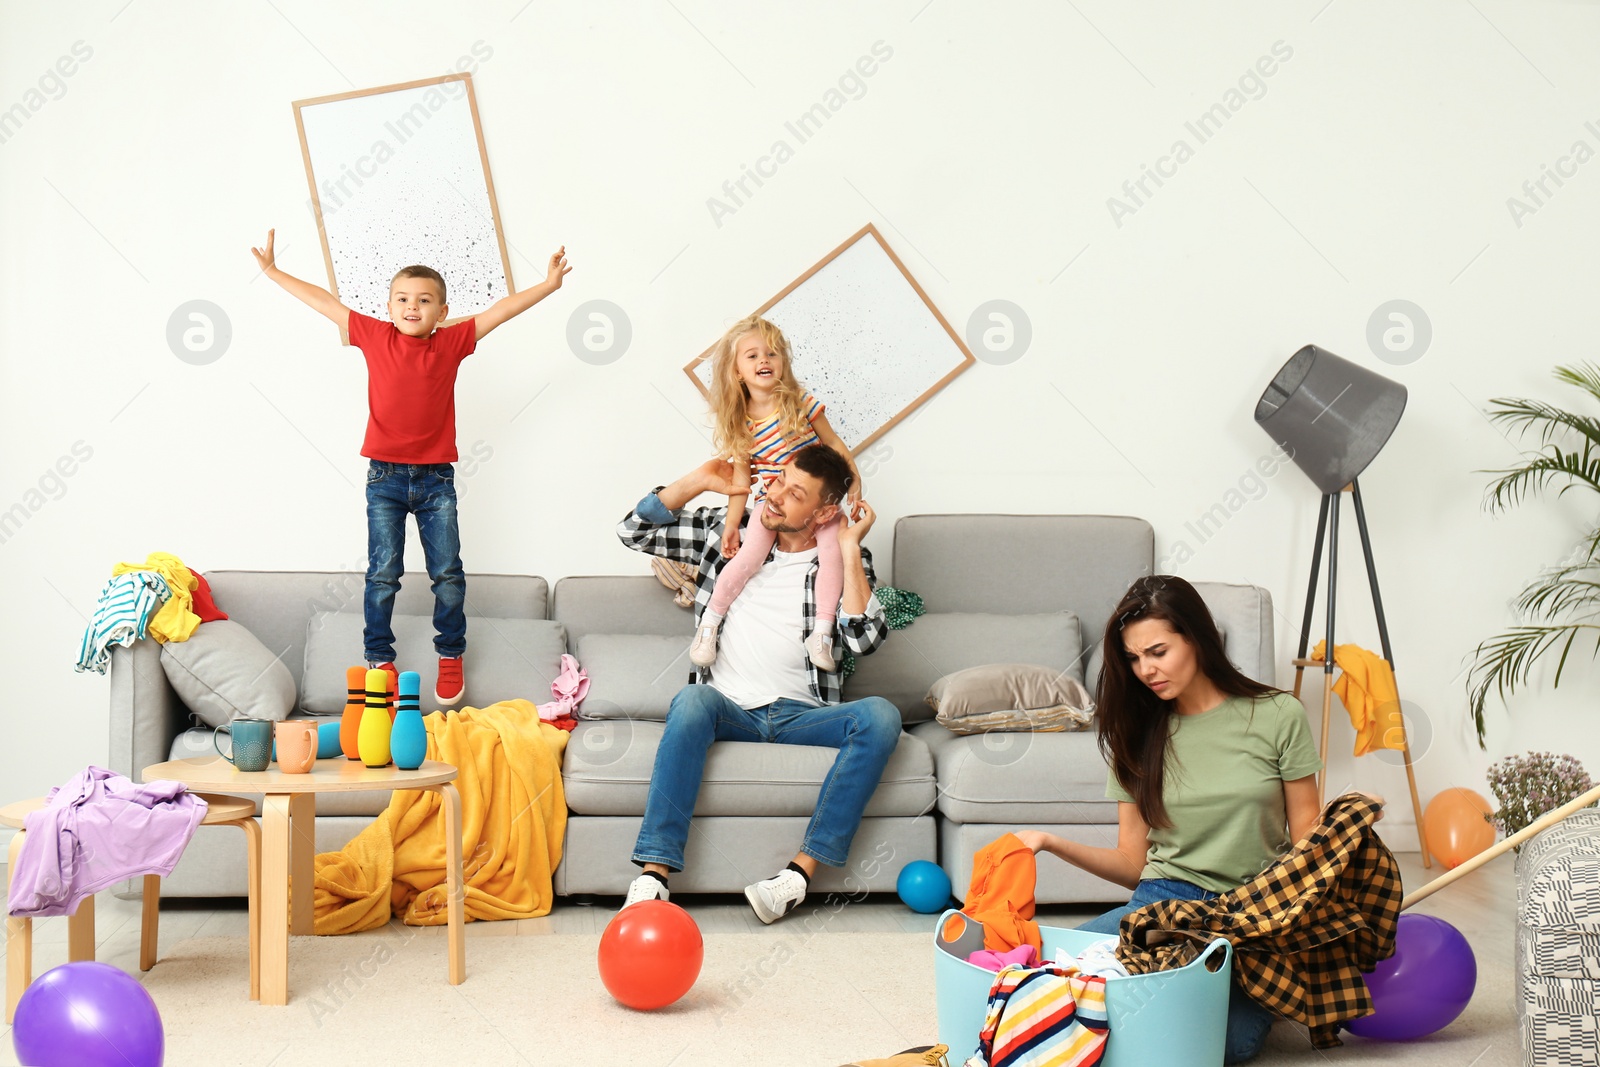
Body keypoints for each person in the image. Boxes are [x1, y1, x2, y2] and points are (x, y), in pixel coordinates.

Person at [1014, 575, 1324, 1065]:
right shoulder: (1135, 733)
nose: (1145, 670)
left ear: (1198, 638)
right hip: (1163, 905)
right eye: (1135, 659)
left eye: (1157, 651)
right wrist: (1050, 842)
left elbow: (1311, 848)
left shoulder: (1278, 714)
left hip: (1249, 917)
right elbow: (1132, 863)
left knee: (1227, 1044)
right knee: (1045, 983)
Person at [251, 229, 570, 705]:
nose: (412, 307)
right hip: (384, 478)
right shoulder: (374, 336)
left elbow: (500, 312)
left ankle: (450, 651)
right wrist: (273, 272)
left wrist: (548, 285)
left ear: (442, 312)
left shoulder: (453, 341)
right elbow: (324, 302)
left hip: (437, 480)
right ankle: (379, 657)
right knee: (383, 573)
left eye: (424, 300)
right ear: (389, 307)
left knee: (448, 573)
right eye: (402, 299)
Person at [616, 446, 899, 924]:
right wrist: (699, 479)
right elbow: (632, 531)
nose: (776, 495)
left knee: (880, 715)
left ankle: (797, 877)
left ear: (824, 511)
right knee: (690, 700)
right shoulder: (727, 531)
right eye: (779, 480)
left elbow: (864, 638)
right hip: (727, 707)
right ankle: (654, 877)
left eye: (796, 494)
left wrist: (850, 548)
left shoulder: (843, 557)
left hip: (802, 716)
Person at [689, 315, 863, 672]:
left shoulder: (801, 402)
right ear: (737, 371)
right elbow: (741, 482)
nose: (763, 361)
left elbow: (832, 443)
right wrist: (732, 524)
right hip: (772, 506)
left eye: (771, 354)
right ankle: (710, 623)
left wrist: (854, 481)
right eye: (751, 356)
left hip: (820, 504)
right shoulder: (741, 422)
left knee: (832, 558)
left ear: (783, 362)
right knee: (748, 559)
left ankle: (822, 632)